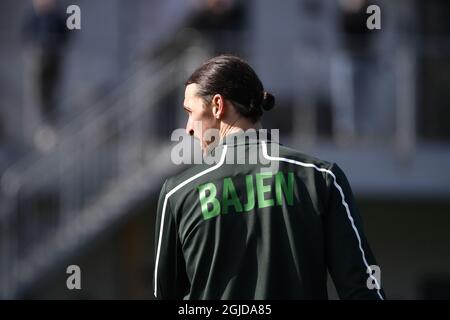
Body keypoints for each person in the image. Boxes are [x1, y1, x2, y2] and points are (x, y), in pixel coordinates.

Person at [153, 54, 386, 299]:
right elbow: (363, 288)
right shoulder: (321, 177)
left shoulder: (177, 193)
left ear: (218, 106)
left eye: (190, 111)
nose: (188, 127)